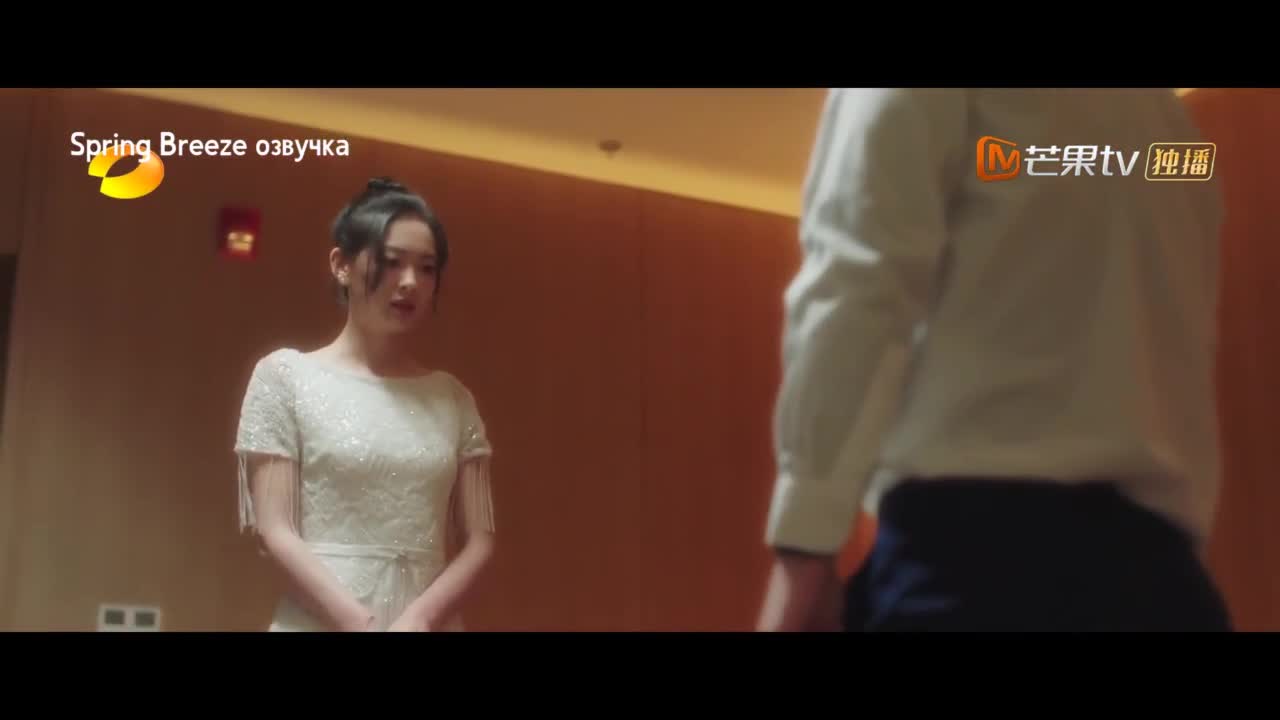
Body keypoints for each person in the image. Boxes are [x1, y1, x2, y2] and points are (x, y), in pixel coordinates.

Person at [756, 88, 1232, 632]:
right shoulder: (1174, 135)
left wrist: (805, 547)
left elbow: (859, 279)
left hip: (973, 570)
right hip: (1168, 586)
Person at [233, 177, 496, 632]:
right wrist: (361, 624)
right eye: (391, 262)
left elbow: (480, 541)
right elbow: (274, 531)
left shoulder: (451, 397)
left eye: (427, 268)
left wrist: (421, 618)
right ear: (341, 265)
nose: (410, 282)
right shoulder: (285, 377)